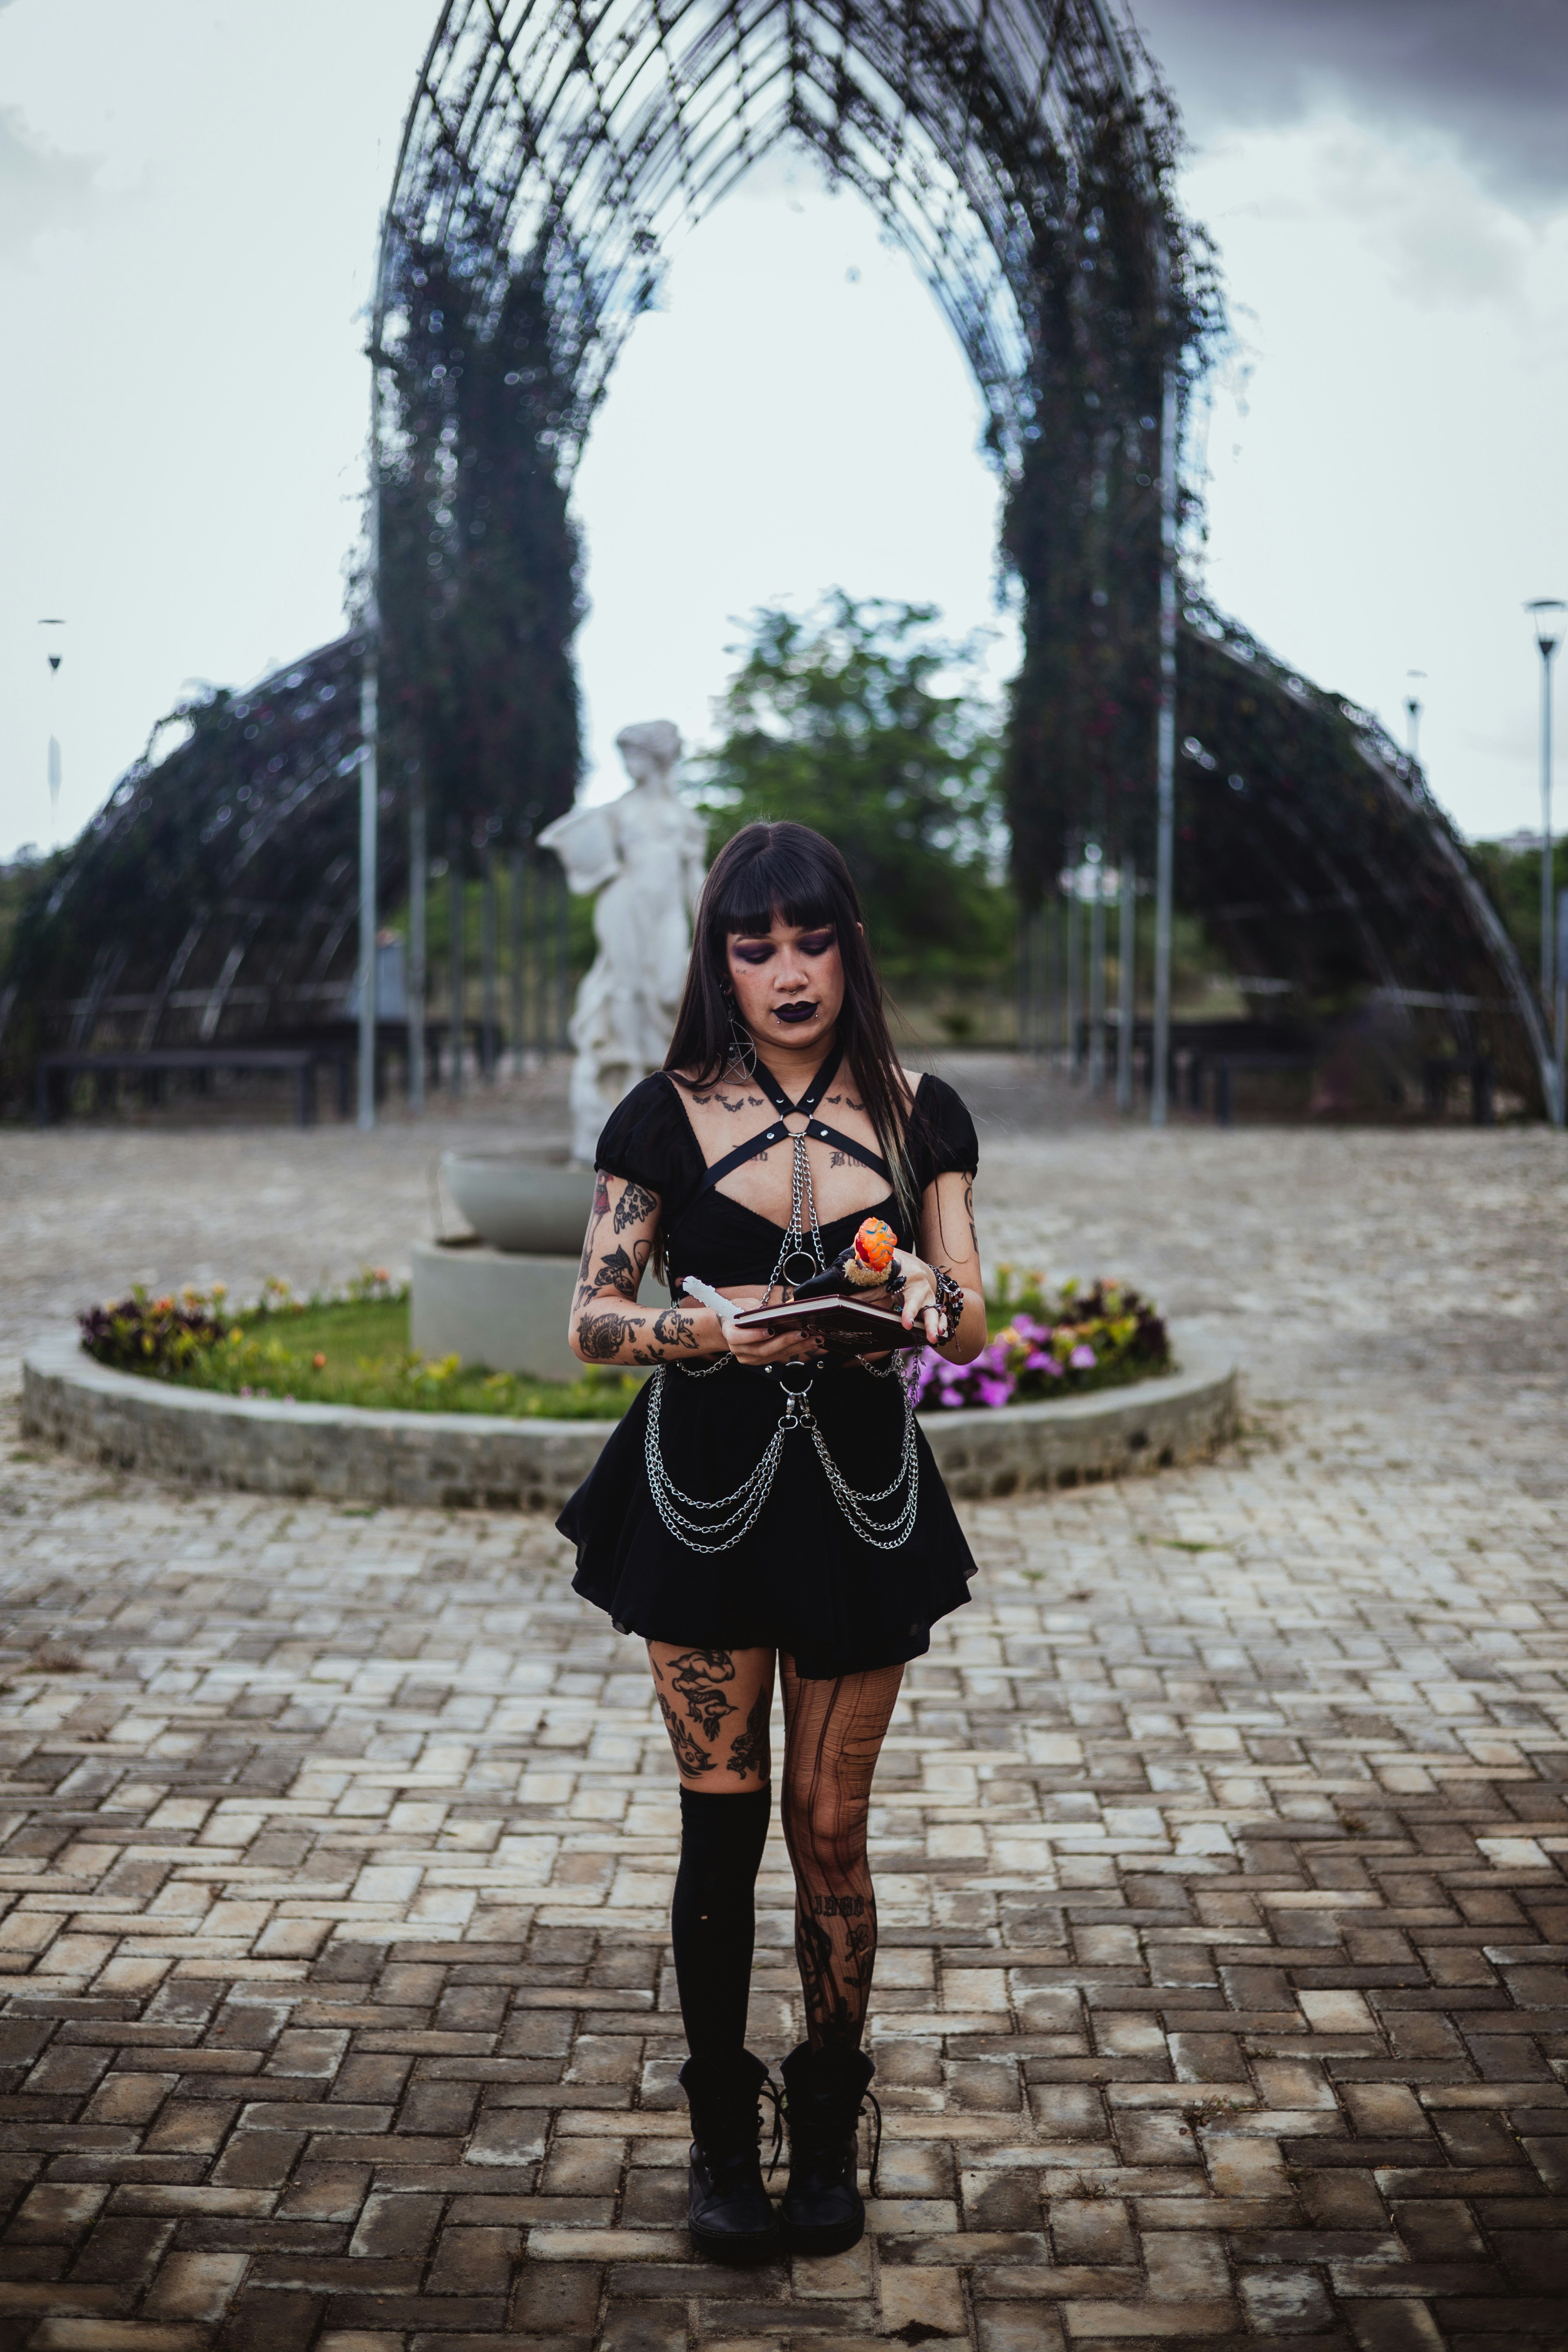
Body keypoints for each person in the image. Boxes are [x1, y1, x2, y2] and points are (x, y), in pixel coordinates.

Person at [557, 820, 986, 2264]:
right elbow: (594, 1317)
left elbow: (972, 1311)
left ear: (849, 947)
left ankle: (826, 2119)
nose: (790, 973)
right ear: (721, 962)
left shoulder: (925, 1112)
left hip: (866, 1501)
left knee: (831, 1831)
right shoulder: (659, 1117)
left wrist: (924, 1288)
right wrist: (709, 1328)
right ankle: (723, 2142)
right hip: (703, 1494)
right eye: (759, 949)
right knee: (722, 1829)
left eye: (814, 941)